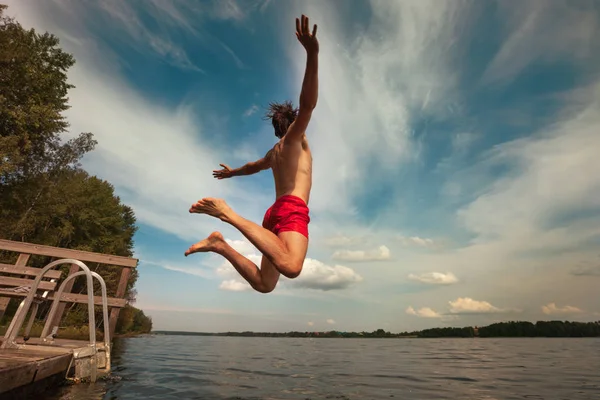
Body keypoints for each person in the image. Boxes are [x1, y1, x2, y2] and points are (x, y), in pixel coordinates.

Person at [184, 14, 319, 294]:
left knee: (264, 284)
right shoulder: (297, 138)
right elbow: (307, 106)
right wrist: (312, 54)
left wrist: (231, 172)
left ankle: (219, 245)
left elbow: (251, 167)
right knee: (292, 267)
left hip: (273, 213)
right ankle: (228, 215)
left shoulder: (274, 153)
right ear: (292, 123)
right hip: (292, 208)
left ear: (273, 129)